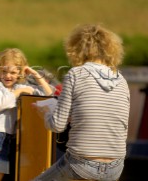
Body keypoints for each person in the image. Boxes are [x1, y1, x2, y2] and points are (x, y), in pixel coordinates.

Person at [32, 24, 130, 181]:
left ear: (76, 48)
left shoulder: (76, 74)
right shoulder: (121, 80)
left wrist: (47, 111)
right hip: (115, 167)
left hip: (81, 164)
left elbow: (56, 125)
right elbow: (114, 120)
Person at [0, 48, 54, 181]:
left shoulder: (17, 87)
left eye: (13, 72)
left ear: (19, 74)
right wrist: (20, 92)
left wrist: (35, 74)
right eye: (4, 71)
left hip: (6, 139)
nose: (8, 76)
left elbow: (49, 95)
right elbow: (0, 104)